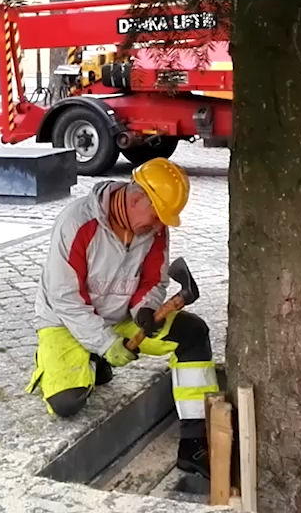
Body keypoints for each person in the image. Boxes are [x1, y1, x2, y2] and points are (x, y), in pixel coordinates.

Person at [26, 158, 218, 477]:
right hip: (65, 321)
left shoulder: (153, 229)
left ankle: (193, 444)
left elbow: (154, 280)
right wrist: (104, 344)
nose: (159, 226)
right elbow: (65, 297)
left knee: (193, 334)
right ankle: (80, 360)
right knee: (66, 403)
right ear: (135, 197)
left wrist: (144, 308)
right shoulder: (76, 223)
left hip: (120, 315)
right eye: (156, 216)